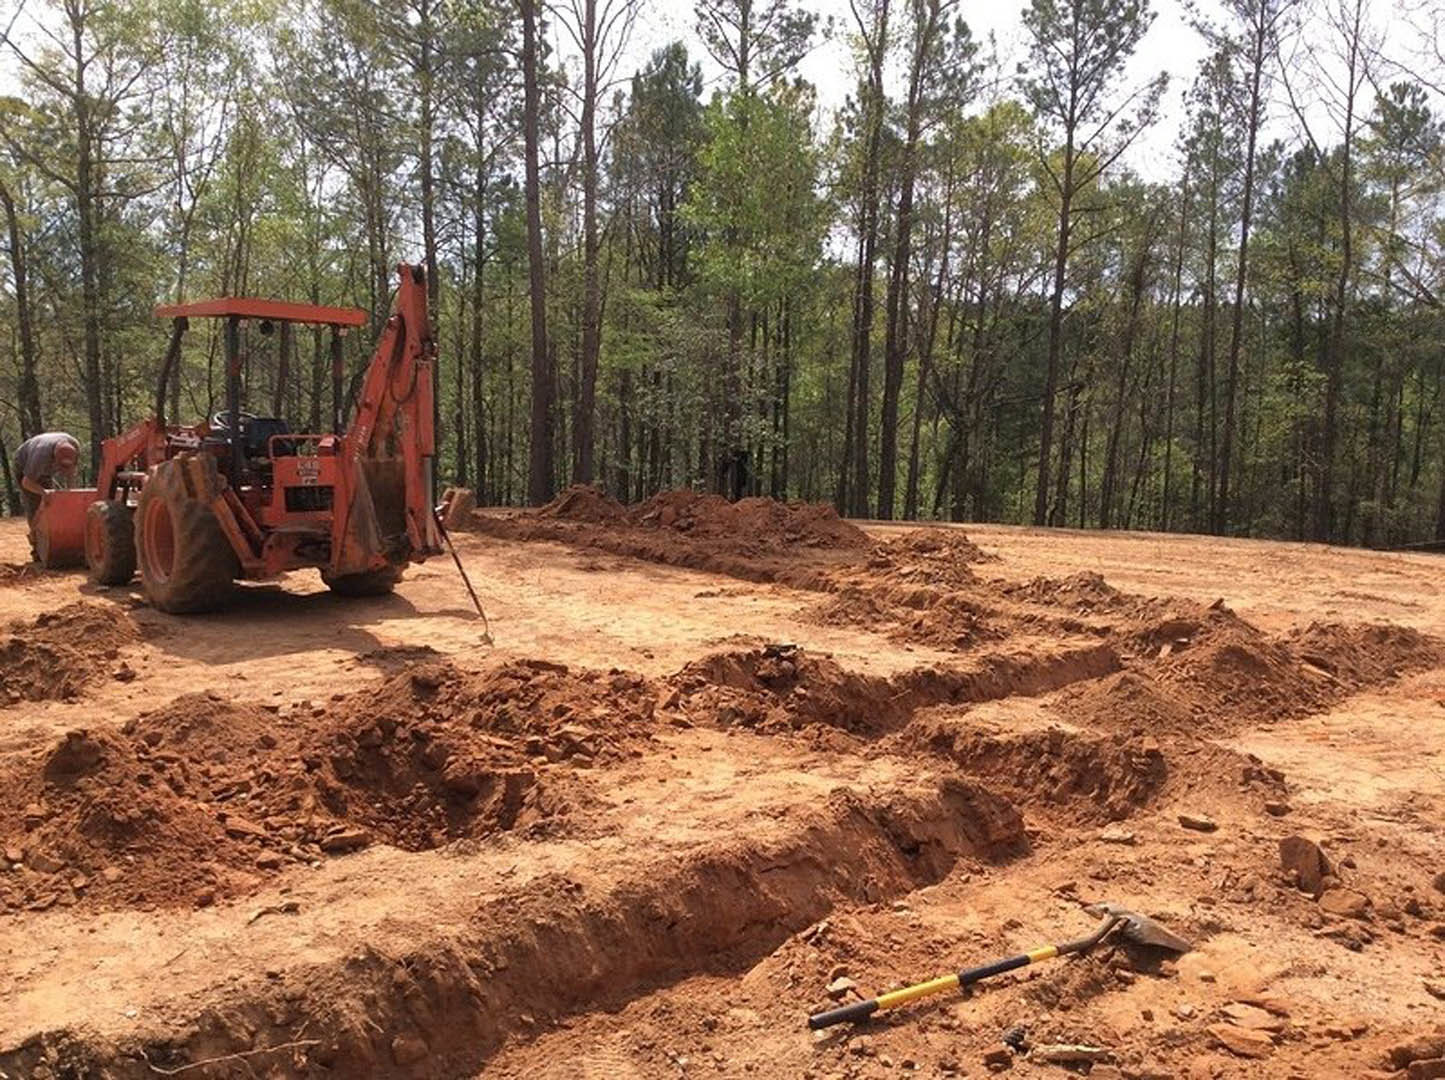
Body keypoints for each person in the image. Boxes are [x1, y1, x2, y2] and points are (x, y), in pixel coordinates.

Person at [15, 431, 81, 539]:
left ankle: (54, 534)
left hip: (44, 463)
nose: (62, 470)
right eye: (61, 467)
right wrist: (43, 492)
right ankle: (36, 539)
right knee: (36, 501)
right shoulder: (40, 456)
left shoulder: (74, 446)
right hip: (24, 465)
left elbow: (71, 474)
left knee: (52, 502)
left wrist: (71, 494)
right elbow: (26, 482)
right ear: (54, 459)